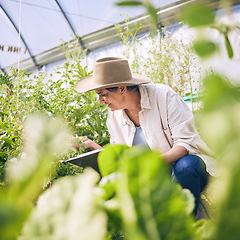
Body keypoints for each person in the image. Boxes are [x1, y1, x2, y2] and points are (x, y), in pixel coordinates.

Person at [74, 57, 218, 217]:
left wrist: (150, 165)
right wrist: (94, 147)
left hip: (190, 170)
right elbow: (120, 158)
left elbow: (184, 145)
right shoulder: (114, 117)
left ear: (122, 88)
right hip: (152, 179)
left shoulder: (164, 97)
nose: (100, 101)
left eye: (103, 94)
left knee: (185, 166)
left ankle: (185, 224)